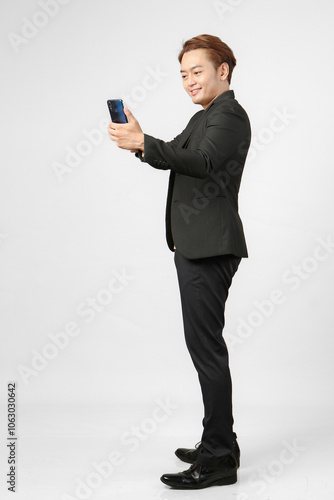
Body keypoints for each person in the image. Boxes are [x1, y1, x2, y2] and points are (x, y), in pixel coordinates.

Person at [108, 34, 251, 490]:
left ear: (222, 71)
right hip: (196, 246)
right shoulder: (204, 116)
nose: (189, 80)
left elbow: (203, 162)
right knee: (204, 348)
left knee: (207, 351)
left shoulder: (229, 115)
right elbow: (174, 154)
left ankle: (219, 457)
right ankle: (221, 440)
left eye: (197, 71)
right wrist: (138, 141)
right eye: (184, 74)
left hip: (210, 247)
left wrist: (145, 142)